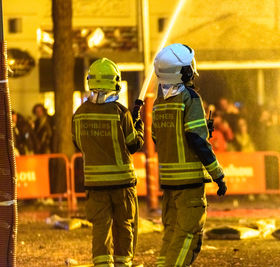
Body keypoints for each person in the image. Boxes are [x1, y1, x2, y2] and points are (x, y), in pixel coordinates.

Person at [152, 43, 227, 267]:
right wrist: (218, 175)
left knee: (172, 234)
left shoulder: (159, 103)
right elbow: (196, 140)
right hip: (189, 184)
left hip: (168, 183)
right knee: (188, 236)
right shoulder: (190, 98)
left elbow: (159, 138)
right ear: (184, 71)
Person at [72, 58, 144, 267]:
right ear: (115, 82)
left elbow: (79, 143)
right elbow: (133, 145)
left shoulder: (79, 114)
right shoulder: (120, 112)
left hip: (95, 184)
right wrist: (137, 125)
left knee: (100, 227)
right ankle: (123, 264)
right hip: (122, 184)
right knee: (124, 226)